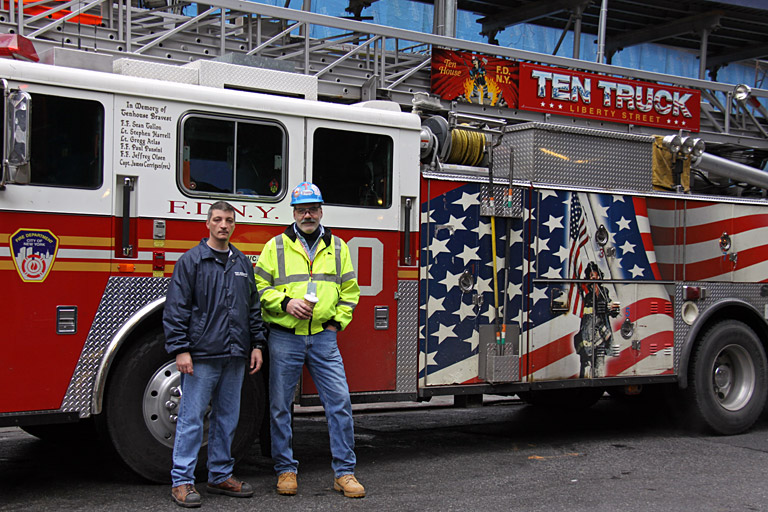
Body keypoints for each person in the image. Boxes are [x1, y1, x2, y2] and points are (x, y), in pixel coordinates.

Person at [254, 182, 364, 499]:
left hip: (322, 339)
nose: (307, 215)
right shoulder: (275, 246)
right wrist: (286, 303)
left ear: (321, 211)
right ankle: (285, 470)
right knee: (279, 407)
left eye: (313, 208)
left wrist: (334, 324)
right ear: (293, 212)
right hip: (284, 336)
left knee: (339, 404)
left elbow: (350, 294)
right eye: (302, 209)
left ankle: (344, 473)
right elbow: (259, 288)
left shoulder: (339, 247)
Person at [163, 201, 267, 508]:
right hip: (203, 356)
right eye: (218, 220)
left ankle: (220, 475)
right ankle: (181, 481)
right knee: (191, 419)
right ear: (207, 224)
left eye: (229, 220)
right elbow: (176, 309)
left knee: (227, 419)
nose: (223, 225)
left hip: (236, 356)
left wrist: (257, 345)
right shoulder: (191, 262)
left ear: (235, 225)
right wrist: (181, 350)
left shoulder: (242, 263)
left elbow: (253, 308)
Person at [573, 262, 620, 378]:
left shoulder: (604, 291)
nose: (593, 277)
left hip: (601, 333)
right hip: (588, 333)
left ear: (599, 276)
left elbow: (612, 309)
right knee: (585, 363)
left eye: (595, 275)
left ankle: (599, 380)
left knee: (599, 362)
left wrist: (611, 309)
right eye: (590, 276)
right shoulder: (585, 293)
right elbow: (586, 313)